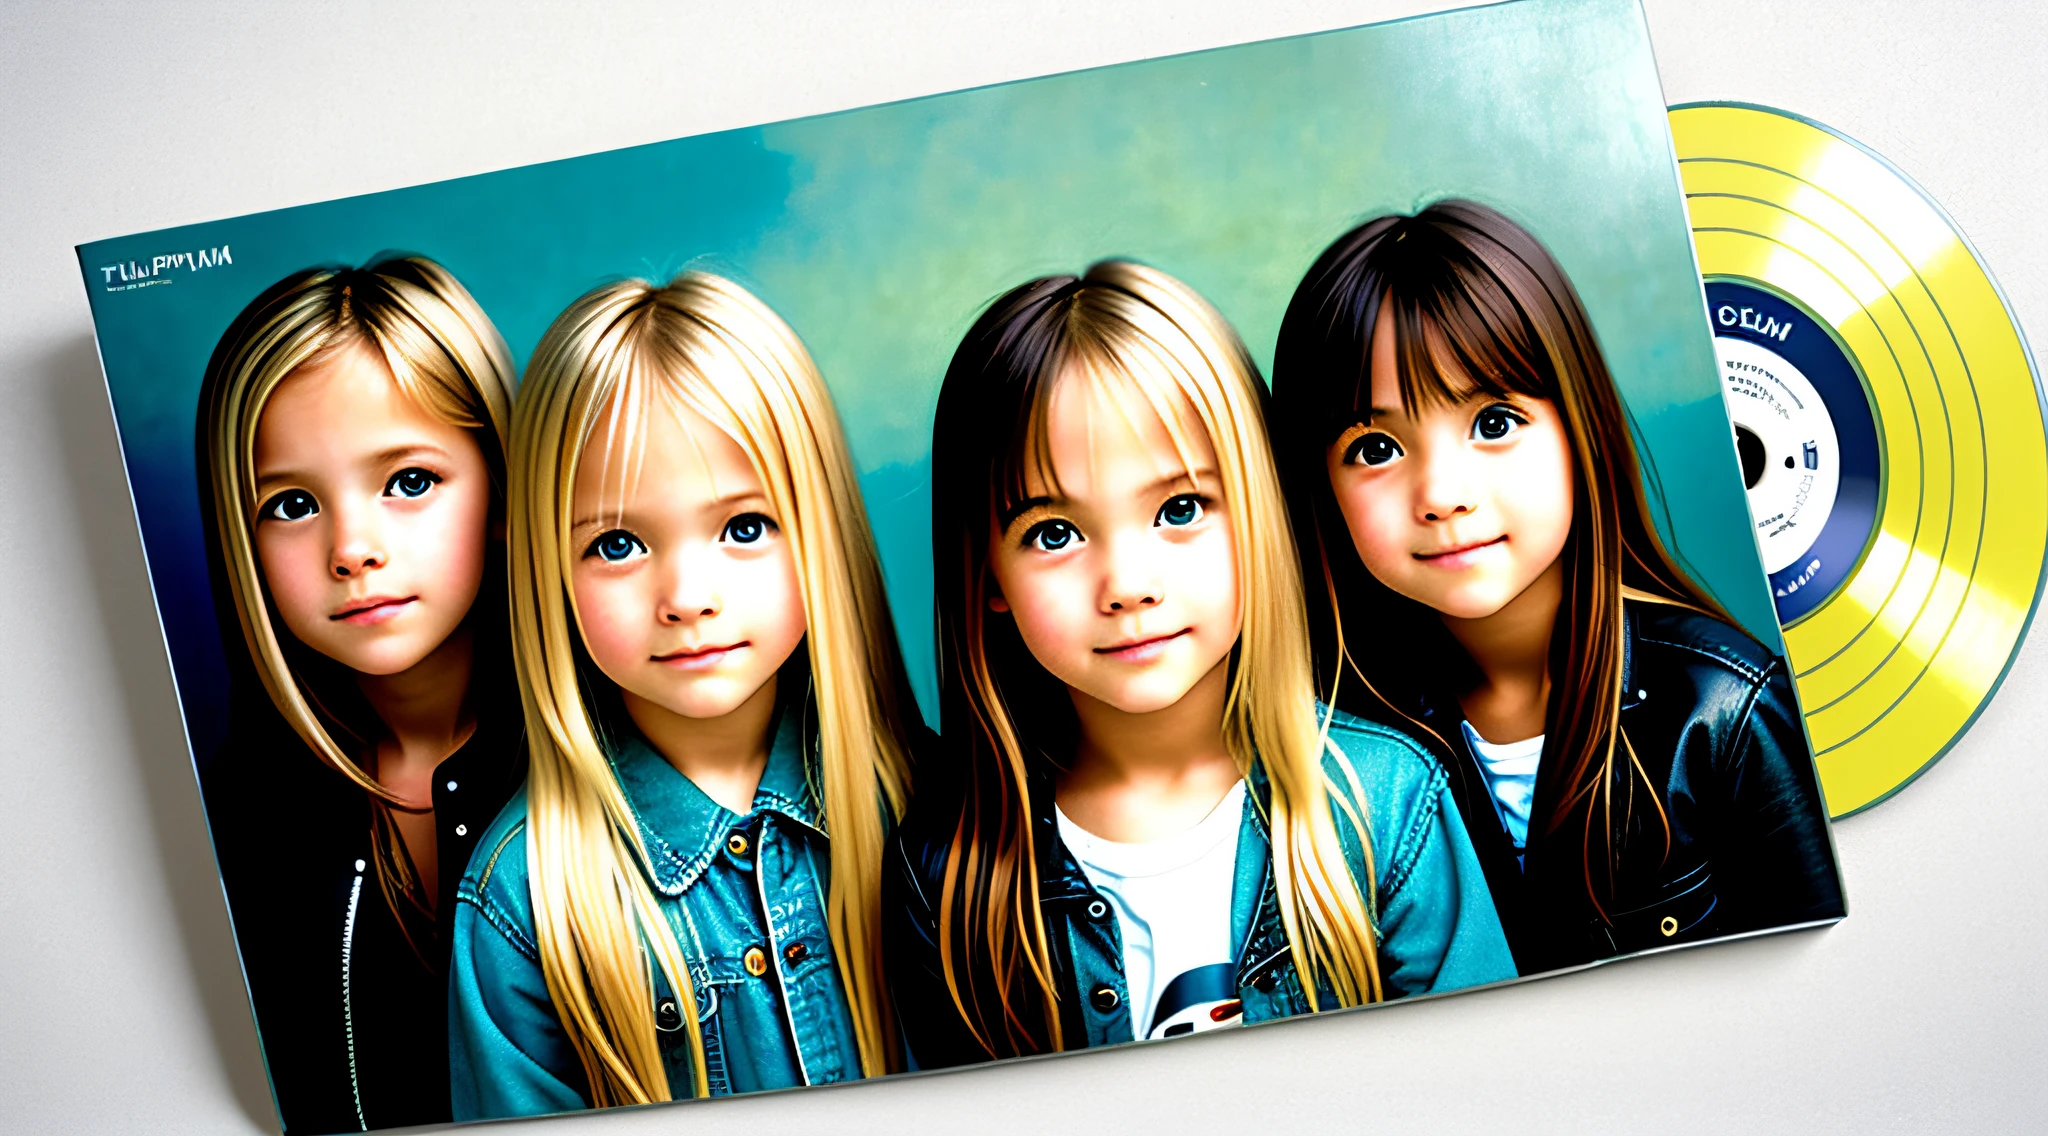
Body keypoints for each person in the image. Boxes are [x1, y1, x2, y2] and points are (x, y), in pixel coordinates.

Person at [886, 261, 1513, 1069]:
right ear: (987, 577)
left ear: (1260, 513)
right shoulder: (950, 879)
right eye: (1053, 534)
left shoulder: (1387, 806)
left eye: (1179, 510)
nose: (1128, 586)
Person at [1269, 200, 1845, 975]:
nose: (1442, 493)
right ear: (1320, 492)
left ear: (1581, 426)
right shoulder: (1344, 742)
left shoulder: (1721, 710)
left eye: (1496, 422)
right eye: (1375, 447)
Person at [448, 272, 920, 1116]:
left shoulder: (929, 806)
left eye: (745, 528)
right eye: (618, 543)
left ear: (822, 528)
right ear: (547, 566)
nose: (687, 596)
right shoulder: (520, 904)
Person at [196, 255, 525, 1132]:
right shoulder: (239, 816)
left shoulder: (616, 750)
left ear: (500, 482)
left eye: (409, 482)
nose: (352, 548)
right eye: (292, 505)